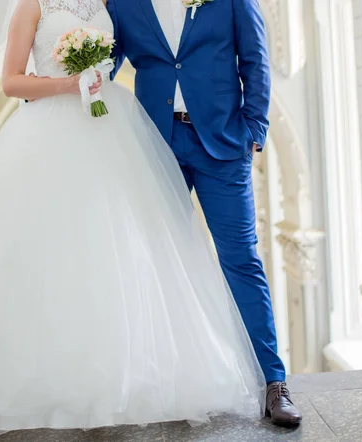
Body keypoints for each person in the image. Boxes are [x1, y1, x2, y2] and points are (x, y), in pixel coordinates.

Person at [0, 0, 270, 440]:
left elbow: (245, 58)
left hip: (140, 131)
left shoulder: (108, 2)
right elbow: (13, 81)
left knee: (174, 255)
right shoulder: (46, 5)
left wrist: (255, 129)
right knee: (69, 253)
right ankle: (68, 377)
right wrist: (71, 84)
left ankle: (264, 380)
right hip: (70, 135)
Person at [106, 0, 301, 427]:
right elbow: (104, 63)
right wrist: (58, 87)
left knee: (241, 261)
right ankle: (172, 382)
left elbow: (255, 61)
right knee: (161, 262)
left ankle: (273, 383)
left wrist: (254, 130)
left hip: (224, 145)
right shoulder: (123, 3)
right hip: (156, 144)